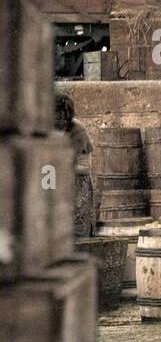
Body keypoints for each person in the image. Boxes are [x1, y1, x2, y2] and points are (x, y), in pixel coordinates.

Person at [54, 89, 95, 238]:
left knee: (77, 236)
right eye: (56, 120)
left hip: (76, 188)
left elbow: (85, 167)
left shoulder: (78, 130)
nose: (60, 124)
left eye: (64, 120)